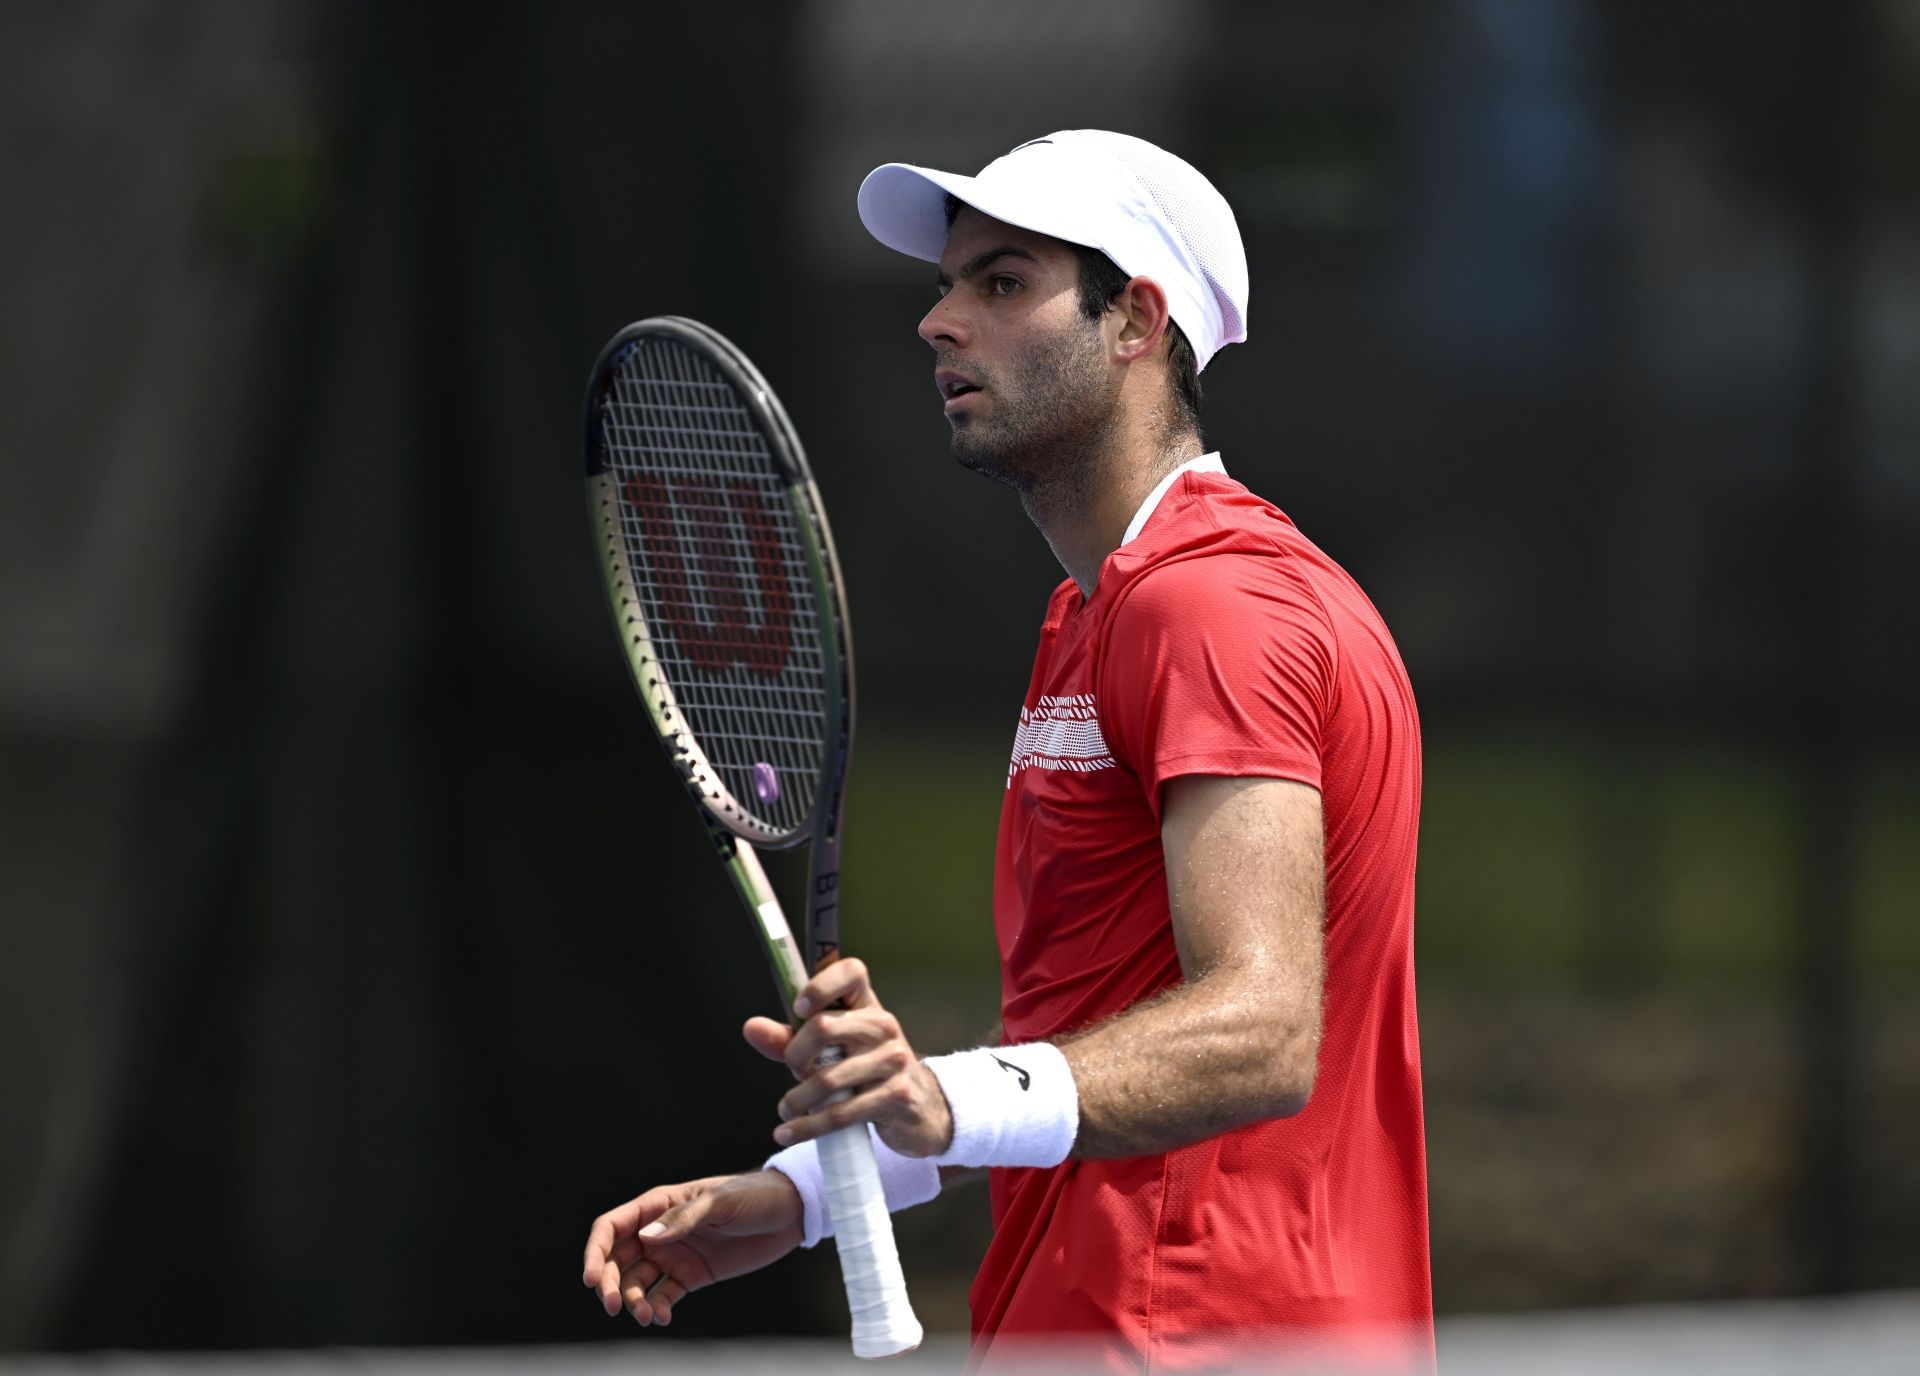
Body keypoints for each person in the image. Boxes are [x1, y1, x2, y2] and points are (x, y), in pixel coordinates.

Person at [581, 130, 1432, 1372]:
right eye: (946, 283)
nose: (938, 320)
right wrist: (812, 1193)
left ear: (1135, 320)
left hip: (1197, 1336)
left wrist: (948, 1096)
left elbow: (1263, 1026)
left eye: (1002, 281)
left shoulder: (1216, 610)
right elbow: (1087, 1033)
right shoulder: (1098, 611)